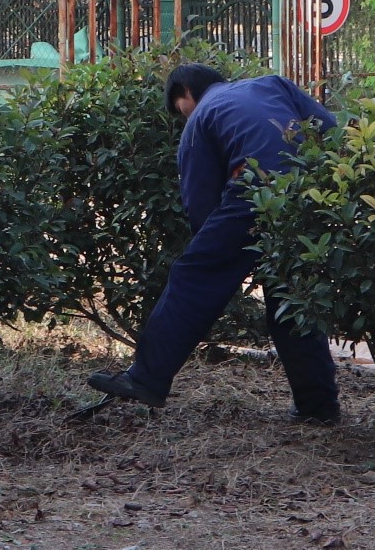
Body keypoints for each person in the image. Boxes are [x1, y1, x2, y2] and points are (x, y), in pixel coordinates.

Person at [87, 63, 340, 420]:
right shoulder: (273, 84)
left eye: (179, 110)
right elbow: (329, 129)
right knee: (293, 300)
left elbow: (200, 203)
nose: (183, 117)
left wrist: (214, 256)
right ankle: (319, 408)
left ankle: (146, 378)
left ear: (186, 92)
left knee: (193, 278)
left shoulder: (201, 115)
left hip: (255, 193)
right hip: (307, 194)